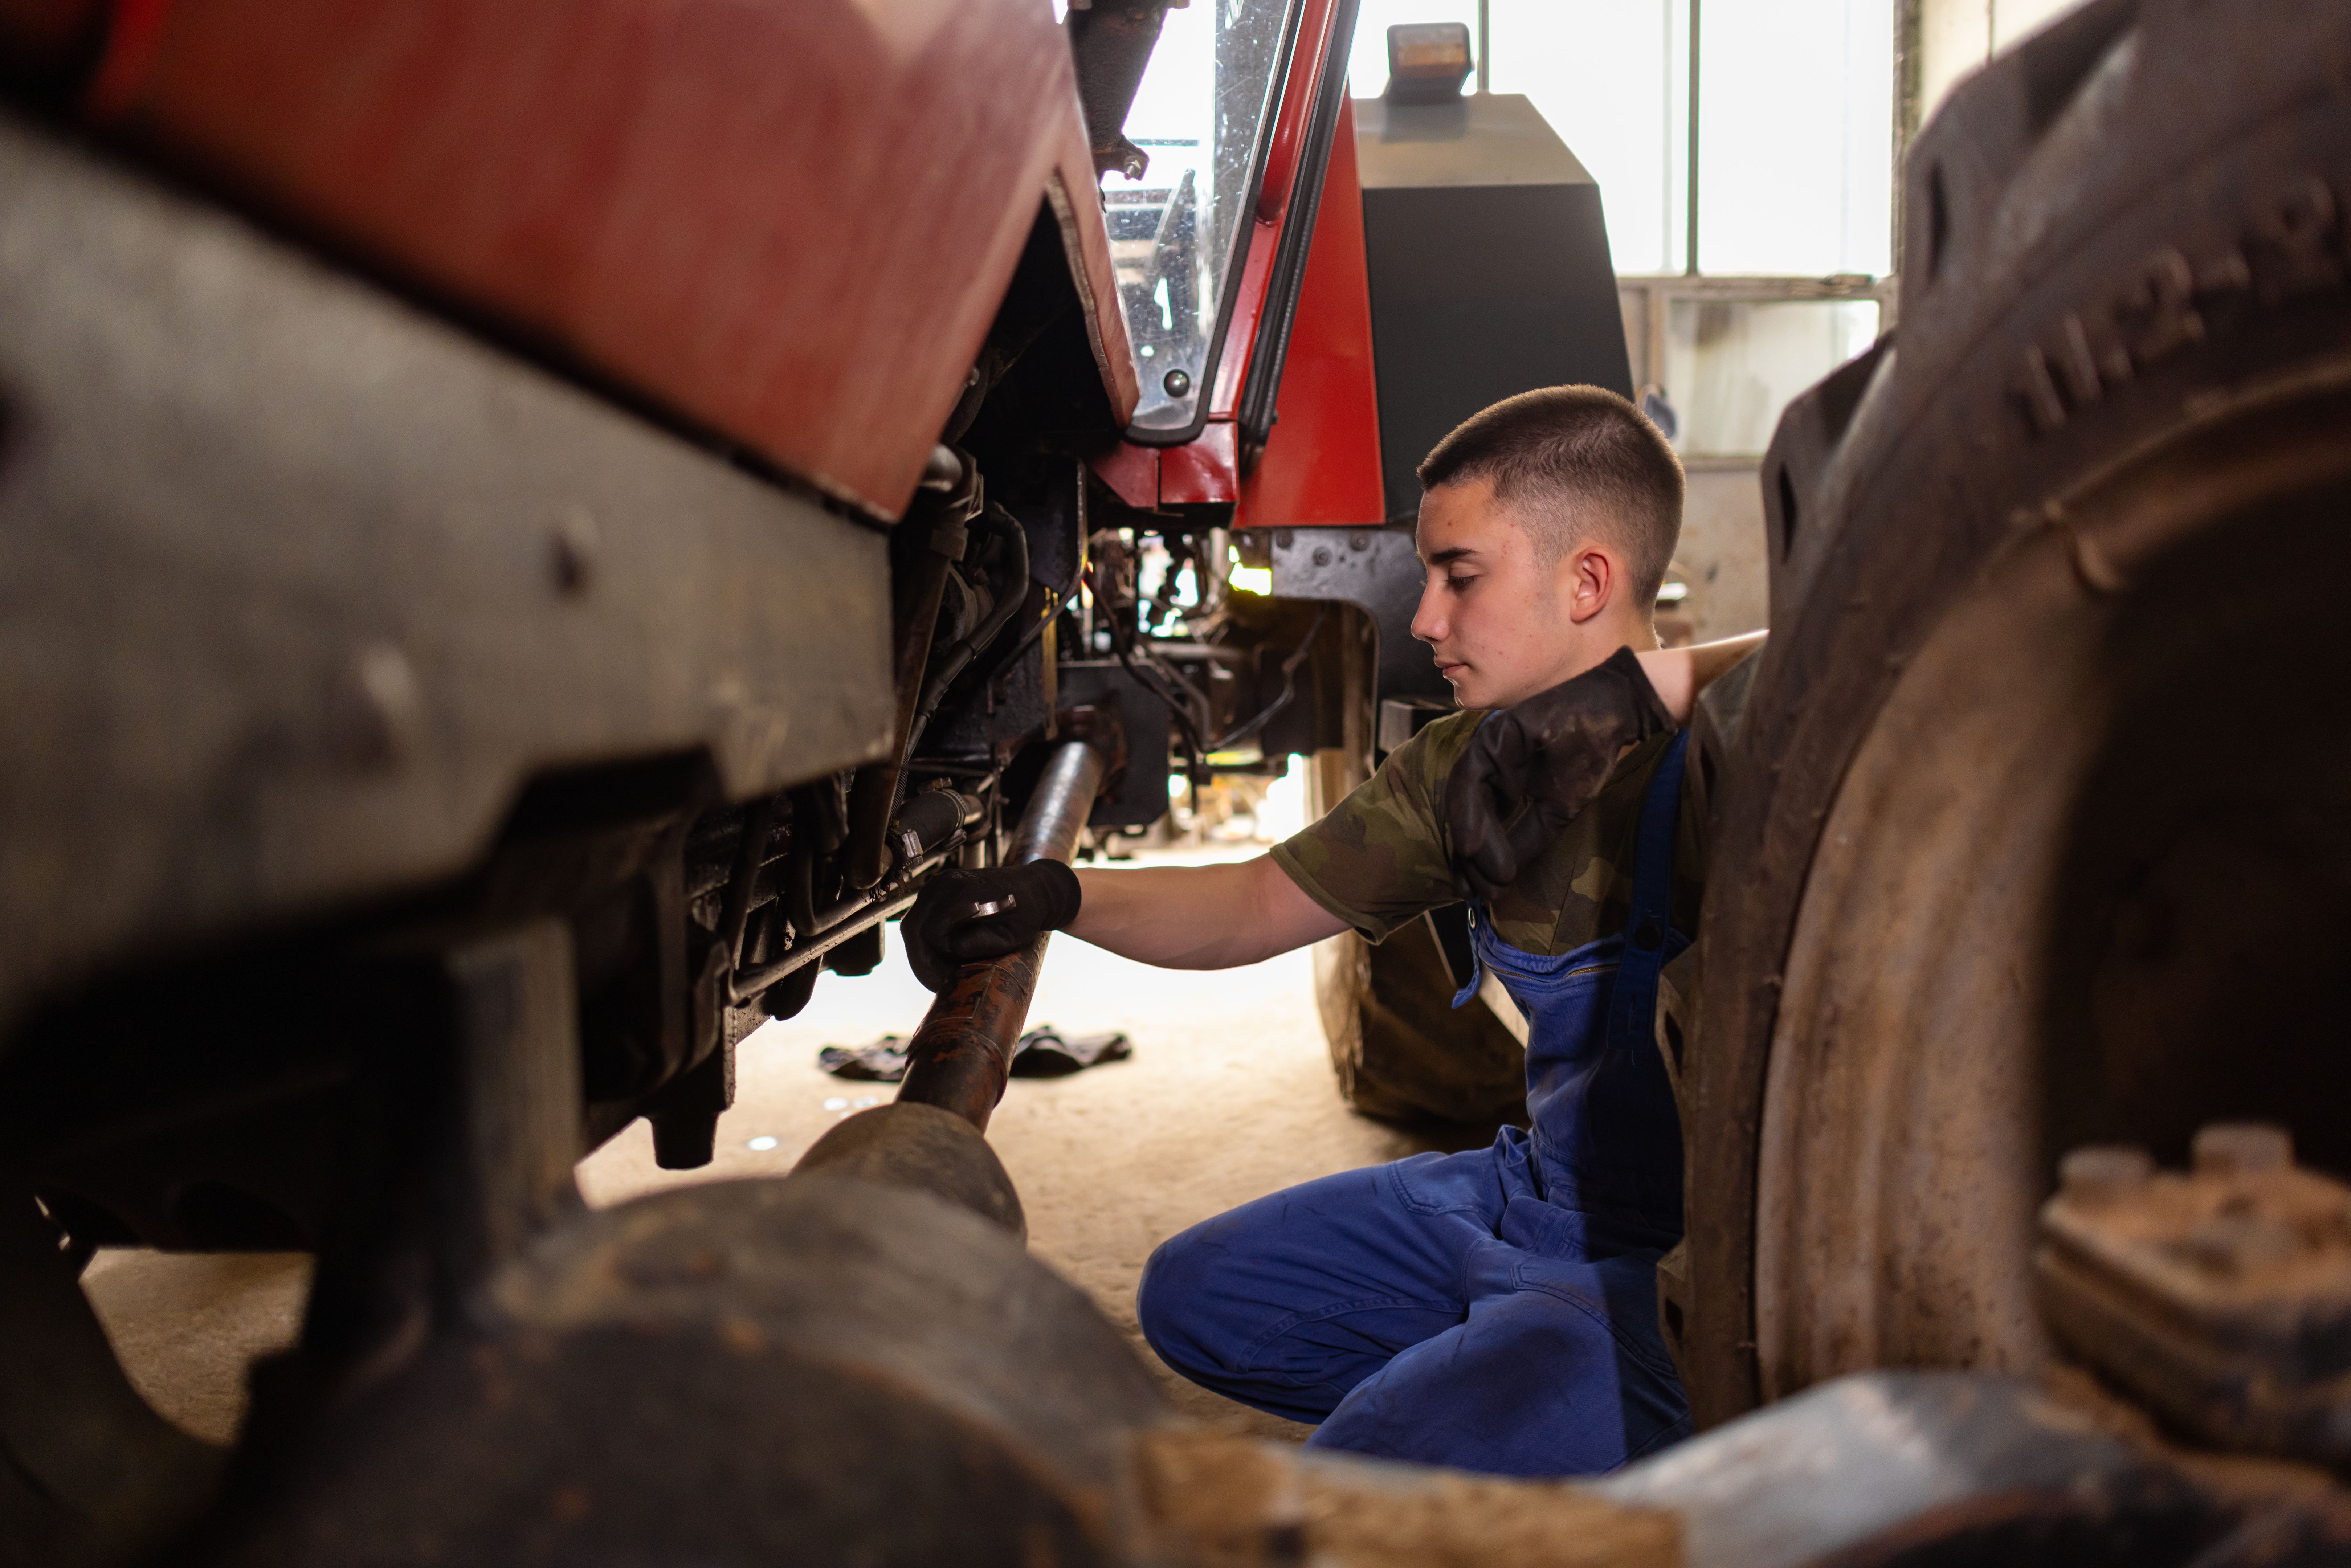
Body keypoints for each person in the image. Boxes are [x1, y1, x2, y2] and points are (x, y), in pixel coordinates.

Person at [902, 384, 1763, 1477]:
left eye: (1461, 578)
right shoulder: (1469, 766)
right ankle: (1512, 1405)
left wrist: (1644, 692)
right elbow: (1260, 902)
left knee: (1340, 1497)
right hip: (1533, 1199)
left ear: (1589, 579)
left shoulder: (1737, 757)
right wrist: (1055, 896)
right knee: (1199, 1295)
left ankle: (1593, 1413)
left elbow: (1877, 633)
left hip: (1667, 1271)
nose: (1423, 619)